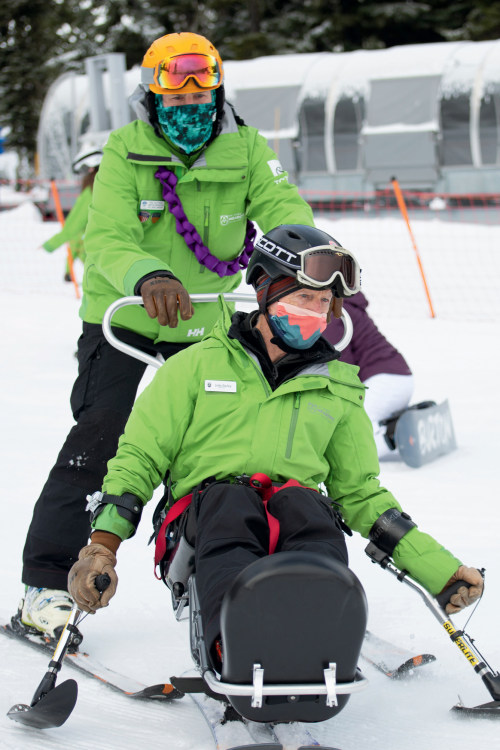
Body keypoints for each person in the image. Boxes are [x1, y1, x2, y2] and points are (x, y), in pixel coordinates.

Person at [66, 225, 483, 670]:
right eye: (305, 298)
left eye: (325, 303)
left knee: (308, 508)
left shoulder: (338, 387)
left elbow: (361, 493)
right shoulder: (194, 366)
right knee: (231, 502)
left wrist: (436, 568)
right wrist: (102, 547)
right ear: (266, 290)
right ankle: (234, 641)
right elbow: (140, 459)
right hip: (203, 520)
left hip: (291, 518)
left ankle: (321, 636)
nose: (316, 313)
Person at [16, 32, 316, 641]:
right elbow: (104, 239)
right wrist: (146, 274)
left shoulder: (247, 147)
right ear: (152, 101)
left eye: (200, 104)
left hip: (203, 321)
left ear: (218, 97)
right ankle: (44, 586)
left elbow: (285, 207)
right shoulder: (126, 151)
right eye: (175, 106)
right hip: (124, 316)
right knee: (101, 438)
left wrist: (307, 258)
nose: (189, 116)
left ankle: (230, 563)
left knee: (218, 442)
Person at [323, 291, 414, 458]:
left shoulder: (334, 311)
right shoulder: (346, 305)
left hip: (383, 382)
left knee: (350, 437)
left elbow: (340, 365)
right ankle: (396, 424)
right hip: (399, 377)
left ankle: (392, 437)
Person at [42, 146, 103, 281]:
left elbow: (73, 226)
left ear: (90, 169)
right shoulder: (109, 187)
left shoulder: (91, 192)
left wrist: (49, 245)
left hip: (94, 253)